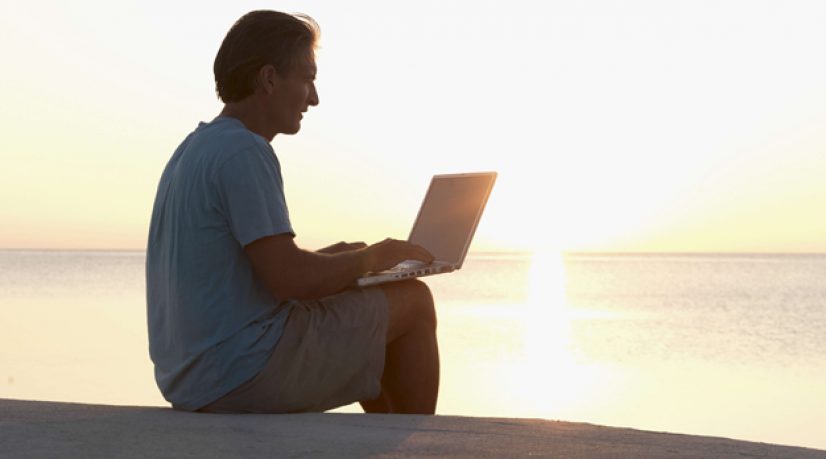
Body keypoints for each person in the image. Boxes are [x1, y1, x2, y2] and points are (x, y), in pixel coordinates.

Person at [146, 10, 439, 414]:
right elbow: (289, 281)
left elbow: (255, 274)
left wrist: (341, 260)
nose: (314, 98)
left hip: (193, 376)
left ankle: (386, 438)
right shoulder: (245, 151)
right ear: (268, 79)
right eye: (307, 79)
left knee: (362, 291)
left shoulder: (194, 149)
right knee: (415, 300)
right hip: (243, 372)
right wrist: (372, 257)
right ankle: (422, 450)